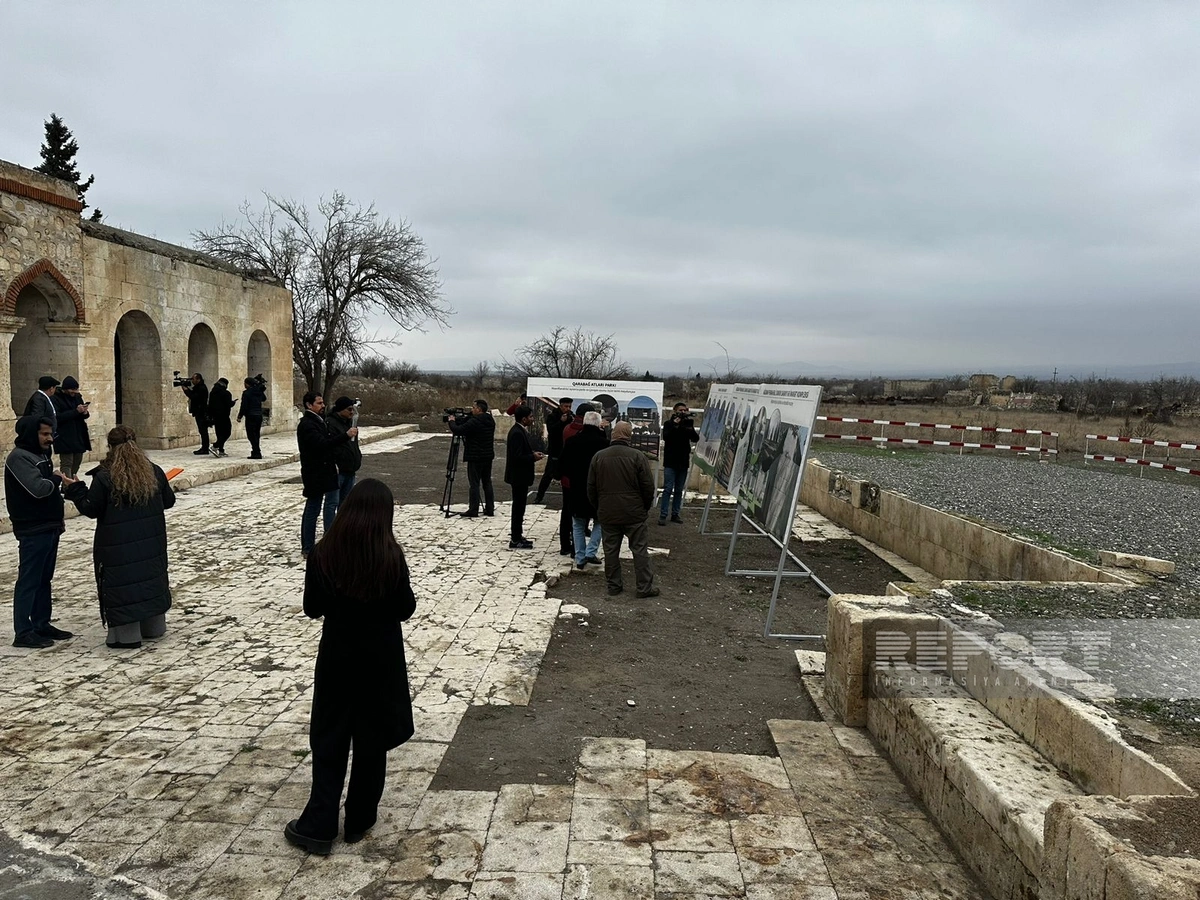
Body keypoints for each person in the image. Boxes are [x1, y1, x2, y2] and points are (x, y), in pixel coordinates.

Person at [285, 479, 415, 855]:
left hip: (338, 657)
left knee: (330, 738)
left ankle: (320, 823)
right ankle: (360, 818)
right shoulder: (391, 556)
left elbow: (312, 608)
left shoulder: (324, 553)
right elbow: (405, 608)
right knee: (372, 740)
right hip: (380, 660)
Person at [64, 425, 176, 649]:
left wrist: (75, 489)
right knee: (149, 580)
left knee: (123, 584)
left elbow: (91, 508)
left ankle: (126, 636)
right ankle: (153, 627)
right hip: (151, 543)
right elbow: (168, 501)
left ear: (110, 447)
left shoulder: (105, 477)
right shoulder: (154, 471)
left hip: (117, 546)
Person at [5, 416, 75, 648]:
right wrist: (56, 477)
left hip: (49, 525)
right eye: (44, 434)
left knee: (44, 579)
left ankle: (41, 623)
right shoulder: (19, 458)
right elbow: (39, 488)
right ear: (30, 434)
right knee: (29, 580)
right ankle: (23, 631)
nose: (49, 438)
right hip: (33, 528)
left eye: (50, 433)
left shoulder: (41, 455)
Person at [587, 421, 658, 598]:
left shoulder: (598, 457)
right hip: (633, 512)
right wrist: (644, 507)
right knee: (640, 550)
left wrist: (599, 507)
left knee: (610, 551)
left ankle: (614, 586)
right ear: (629, 435)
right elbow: (648, 486)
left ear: (613, 435)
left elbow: (591, 488)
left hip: (608, 512)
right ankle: (644, 587)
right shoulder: (637, 456)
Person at [297, 392, 355, 557]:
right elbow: (321, 444)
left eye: (323, 403)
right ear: (309, 405)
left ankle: (327, 542)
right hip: (314, 472)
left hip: (325, 471)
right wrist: (345, 436)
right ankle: (308, 547)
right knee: (313, 509)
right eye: (319, 403)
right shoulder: (308, 424)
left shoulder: (319, 421)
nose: (323, 406)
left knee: (326, 504)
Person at [559, 410, 608, 570]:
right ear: (598, 424)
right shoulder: (604, 444)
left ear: (584, 422)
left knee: (578, 523)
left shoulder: (572, 442)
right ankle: (591, 551)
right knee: (600, 521)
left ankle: (580, 558)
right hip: (598, 489)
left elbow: (563, 465)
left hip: (577, 487)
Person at [447, 399, 496, 517]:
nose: (472, 410)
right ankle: (490, 509)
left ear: (479, 409)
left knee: (474, 483)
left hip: (475, 456)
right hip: (487, 456)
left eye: (473, 408)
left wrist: (452, 421)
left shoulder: (475, 422)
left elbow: (458, 430)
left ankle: (473, 509)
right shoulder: (490, 420)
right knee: (487, 482)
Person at [504, 405, 543, 549]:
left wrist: (531, 453)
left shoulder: (520, 431)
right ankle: (515, 539)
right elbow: (517, 457)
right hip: (518, 476)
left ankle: (518, 535)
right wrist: (532, 457)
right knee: (518, 508)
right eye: (531, 417)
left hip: (521, 476)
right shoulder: (516, 433)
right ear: (524, 419)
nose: (533, 419)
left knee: (520, 508)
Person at [659, 402, 700, 525]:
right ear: (675, 411)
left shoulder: (688, 423)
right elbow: (666, 437)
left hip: (683, 461)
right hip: (670, 462)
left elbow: (695, 438)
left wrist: (689, 428)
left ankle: (675, 514)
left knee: (678, 490)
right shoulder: (668, 424)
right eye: (680, 410)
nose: (683, 412)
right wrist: (675, 425)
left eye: (684, 410)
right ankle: (663, 514)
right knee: (667, 489)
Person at [534, 397, 573, 504]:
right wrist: (561, 422)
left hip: (566, 451)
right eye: (566, 406)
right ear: (560, 406)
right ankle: (539, 496)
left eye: (569, 406)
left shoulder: (571, 416)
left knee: (568, 476)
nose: (568, 409)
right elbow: (552, 431)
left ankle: (569, 499)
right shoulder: (553, 416)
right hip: (555, 450)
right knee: (548, 475)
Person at [326, 397, 363, 509]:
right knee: (332, 502)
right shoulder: (331, 423)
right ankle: (331, 521)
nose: (352, 412)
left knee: (346, 502)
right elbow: (330, 444)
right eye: (349, 409)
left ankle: (342, 520)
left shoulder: (350, 423)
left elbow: (353, 444)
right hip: (338, 469)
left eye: (353, 410)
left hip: (350, 468)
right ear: (340, 409)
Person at [52, 376, 91, 477]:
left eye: (76, 390)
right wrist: (76, 411)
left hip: (78, 434)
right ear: (66, 389)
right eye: (72, 390)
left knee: (77, 461)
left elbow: (84, 415)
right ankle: (67, 483)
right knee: (67, 462)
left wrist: (84, 412)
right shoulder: (56, 398)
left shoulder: (77, 397)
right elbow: (58, 417)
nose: (74, 392)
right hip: (65, 435)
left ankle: (72, 481)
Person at [238, 377, 266, 459]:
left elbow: (244, 406)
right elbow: (264, 398)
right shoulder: (258, 391)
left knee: (251, 435)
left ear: (247, 384)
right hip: (258, 415)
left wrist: (240, 416)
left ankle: (256, 452)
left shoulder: (246, 393)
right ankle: (256, 451)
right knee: (256, 434)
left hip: (251, 415)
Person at [182, 373, 210, 455]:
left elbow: (194, 397)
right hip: (199, 411)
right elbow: (193, 395)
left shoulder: (201, 388)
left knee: (203, 431)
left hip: (201, 412)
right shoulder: (199, 387)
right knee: (202, 431)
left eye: (193, 379)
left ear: (198, 379)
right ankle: (204, 448)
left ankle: (205, 448)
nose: (192, 381)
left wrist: (186, 390)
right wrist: (186, 389)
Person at [208, 377, 236, 457]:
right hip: (224, 416)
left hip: (215, 416)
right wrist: (233, 403)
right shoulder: (226, 393)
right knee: (227, 433)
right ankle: (215, 446)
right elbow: (228, 404)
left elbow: (210, 405)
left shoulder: (213, 392)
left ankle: (221, 450)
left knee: (219, 433)